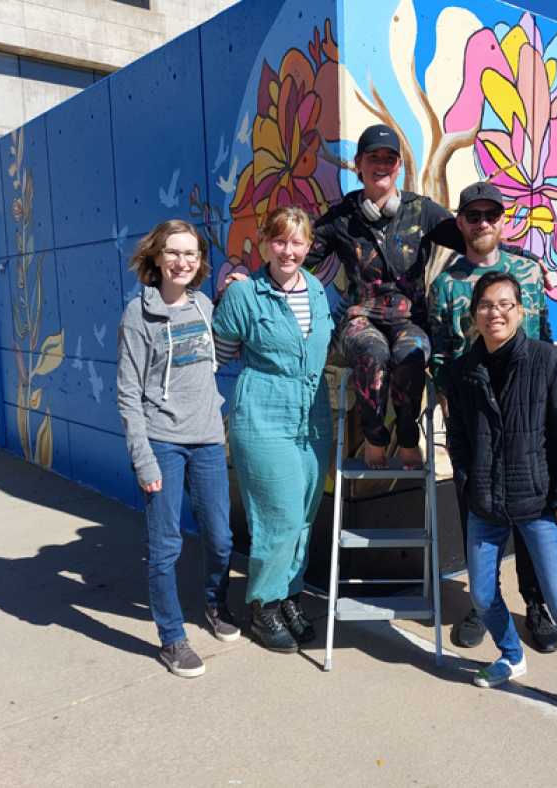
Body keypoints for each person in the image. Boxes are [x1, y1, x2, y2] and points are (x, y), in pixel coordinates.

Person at [447, 270, 557, 742]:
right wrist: (467, 480)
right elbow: (458, 436)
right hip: (486, 503)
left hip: (541, 502)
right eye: (486, 305)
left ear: (521, 310)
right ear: (475, 314)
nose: (495, 313)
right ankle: (511, 656)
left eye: (505, 304)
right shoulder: (464, 370)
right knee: (482, 596)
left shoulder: (548, 360)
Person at [428, 181, 557, 653]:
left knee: (532, 509)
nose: (483, 222)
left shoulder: (528, 272)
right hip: (473, 416)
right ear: (460, 222)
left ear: (502, 220)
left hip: (527, 411)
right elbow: (440, 353)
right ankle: (482, 601)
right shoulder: (445, 284)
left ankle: (536, 602)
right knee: (476, 510)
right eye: (473, 215)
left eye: (491, 214)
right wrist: (449, 405)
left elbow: (544, 336)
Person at [117, 219, 239, 678]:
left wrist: (231, 296)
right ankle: (172, 638)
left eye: (191, 253)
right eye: (173, 252)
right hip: (162, 441)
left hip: (206, 437)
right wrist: (143, 458)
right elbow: (128, 393)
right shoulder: (138, 314)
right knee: (165, 546)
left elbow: (211, 359)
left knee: (221, 538)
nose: (182, 261)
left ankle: (215, 604)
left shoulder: (205, 305)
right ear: (156, 257)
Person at [303, 124, 461, 470]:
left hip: (411, 321)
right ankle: (375, 440)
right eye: (373, 157)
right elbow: (297, 259)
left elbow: (473, 239)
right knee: (373, 354)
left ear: (399, 166)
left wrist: (520, 259)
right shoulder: (342, 217)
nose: (382, 165)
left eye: (390, 158)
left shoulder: (421, 211)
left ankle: (407, 438)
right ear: (359, 164)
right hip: (361, 320)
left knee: (409, 355)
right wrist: (251, 281)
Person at [212, 206, 333, 654]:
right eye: (279, 240)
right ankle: (263, 606)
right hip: (264, 416)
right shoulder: (245, 294)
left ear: (308, 246)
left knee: (303, 517)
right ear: (265, 241)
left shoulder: (317, 289)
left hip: (314, 419)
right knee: (277, 518)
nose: (288, 251)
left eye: (297, 242)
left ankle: (289, 598)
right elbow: (214, 356)